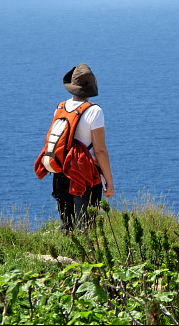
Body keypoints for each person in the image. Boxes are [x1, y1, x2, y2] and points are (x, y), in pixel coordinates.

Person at [38, 63, 114, 233]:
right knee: (86, 227)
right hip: (85, 173)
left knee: (66, 226)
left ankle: (65, 256)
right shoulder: (94, 111)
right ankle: (86, 257)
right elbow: (100, 150)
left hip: (60, 169)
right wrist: (109, 181)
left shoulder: (60, 108)